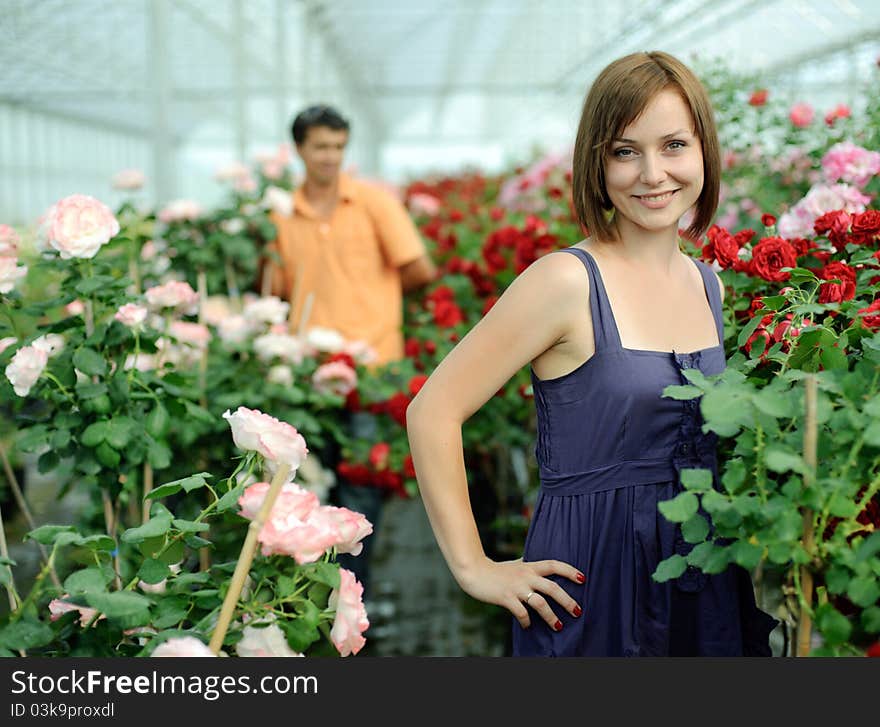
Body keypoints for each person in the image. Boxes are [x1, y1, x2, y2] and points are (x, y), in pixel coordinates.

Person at [406, 51, 776, 656]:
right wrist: (473, 568)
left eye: (674, 145)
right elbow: (432, 411)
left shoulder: (707, 283)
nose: (653, 173)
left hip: (704, 578)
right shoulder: (566, 282)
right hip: (592, 584)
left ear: (704, 150)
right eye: (625, 151)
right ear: (597, 164)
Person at [265, 104, 437, 599]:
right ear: (299, 149)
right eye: (320, 146)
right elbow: (274, 288)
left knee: (362, 480)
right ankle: (313, 589)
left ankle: (354, 592)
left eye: (338, 147)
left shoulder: (373, 203)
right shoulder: (281, 213)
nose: (330, 157)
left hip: (371, 367)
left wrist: (373, 302)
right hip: (305, 372)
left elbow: (419, 268)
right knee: (311, 481)